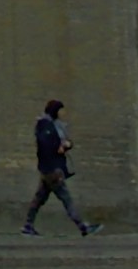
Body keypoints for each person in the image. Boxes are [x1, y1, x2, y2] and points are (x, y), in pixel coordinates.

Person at [24, 96, 96, 237]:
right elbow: (45, 145)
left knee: (39, 199)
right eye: (61, 110)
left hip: (48, 170)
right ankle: (83, 227)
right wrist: (59, 147)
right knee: (66, 198)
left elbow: (62, 141)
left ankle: (28, 225)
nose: (63, 114)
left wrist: (66, 145)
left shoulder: (52, 125)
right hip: (52, 170)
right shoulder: (46, 125)